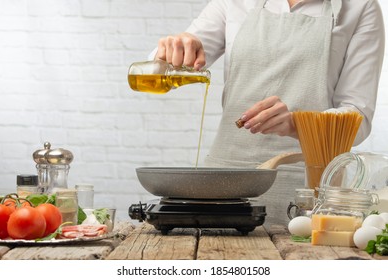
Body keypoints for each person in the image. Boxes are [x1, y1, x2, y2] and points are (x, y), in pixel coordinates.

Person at [153, 0, 385, 226]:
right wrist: (174, 49)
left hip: (309, 190)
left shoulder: (360, 7)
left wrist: (296, 123)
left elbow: (358, 120)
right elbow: (163, 71)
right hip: (224, 185)